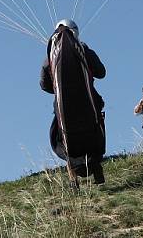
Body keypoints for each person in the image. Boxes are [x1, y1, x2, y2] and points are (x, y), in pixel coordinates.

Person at [40, 19, 107, 185]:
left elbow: (44, 85)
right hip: (89, 102)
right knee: (95, 130)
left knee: (64, 137)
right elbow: (101, 72)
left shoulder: (50, 59)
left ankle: (72, 179)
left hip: (63, 107)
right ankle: (97, 167)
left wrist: (58, 88)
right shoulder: (84, 50)